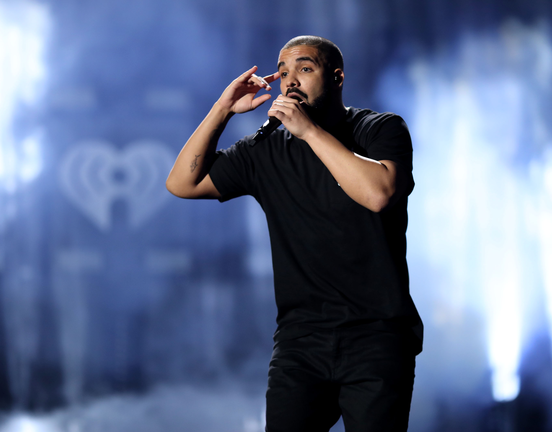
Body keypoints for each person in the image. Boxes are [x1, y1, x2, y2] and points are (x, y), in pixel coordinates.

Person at [166, 35, 423, 432]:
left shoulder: (379, 128)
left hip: (378, 335)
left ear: (336, 78)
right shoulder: (264, 149)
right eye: (283, 73)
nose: (290, 82)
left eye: (305, 69)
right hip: (301, 340)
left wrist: (309, 133)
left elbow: (378, 194)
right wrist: (222, 110)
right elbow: (182, 183)